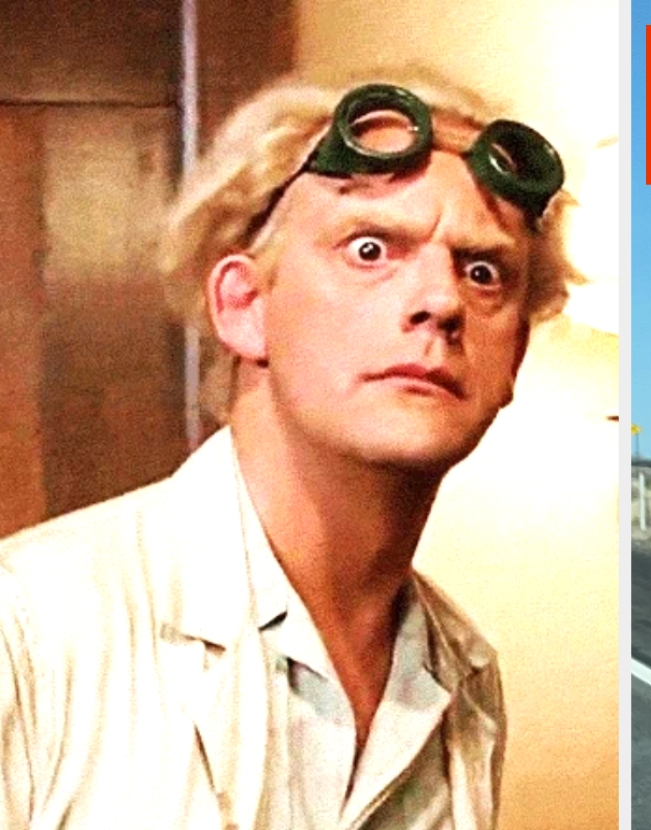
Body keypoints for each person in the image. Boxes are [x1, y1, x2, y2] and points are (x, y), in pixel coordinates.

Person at [0, 69, 576, 830]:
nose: (440, 302)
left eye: (482, 271)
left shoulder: (461, 676)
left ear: (516, 357)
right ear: (244, 306)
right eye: (370, 249)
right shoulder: (33, 625)